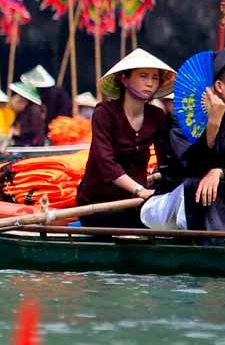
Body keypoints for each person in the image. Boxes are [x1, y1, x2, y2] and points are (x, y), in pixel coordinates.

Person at [144, 49, 225, 233]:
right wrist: (212, 124)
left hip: (219, 191)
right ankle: (209, 246)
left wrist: (218, 172)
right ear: (219, 86)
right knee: (201, 189)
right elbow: (190, 166)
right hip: (175, 196)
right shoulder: (179, 119)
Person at [73, 49, 174, 228]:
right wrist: (140, 190)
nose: (150, 83)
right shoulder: (104, 113)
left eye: (155, 78)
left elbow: (165, 158)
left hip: (137, 202)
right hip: (98, 202)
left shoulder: (157, 116)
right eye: (143, 76)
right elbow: (106, 163)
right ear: (125, 79)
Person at [9, 81, 49, 147]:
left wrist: (19, 132)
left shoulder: (34, 110)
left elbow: (35, 129)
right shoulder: (23, 112)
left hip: (33, 144)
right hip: (23, 142)